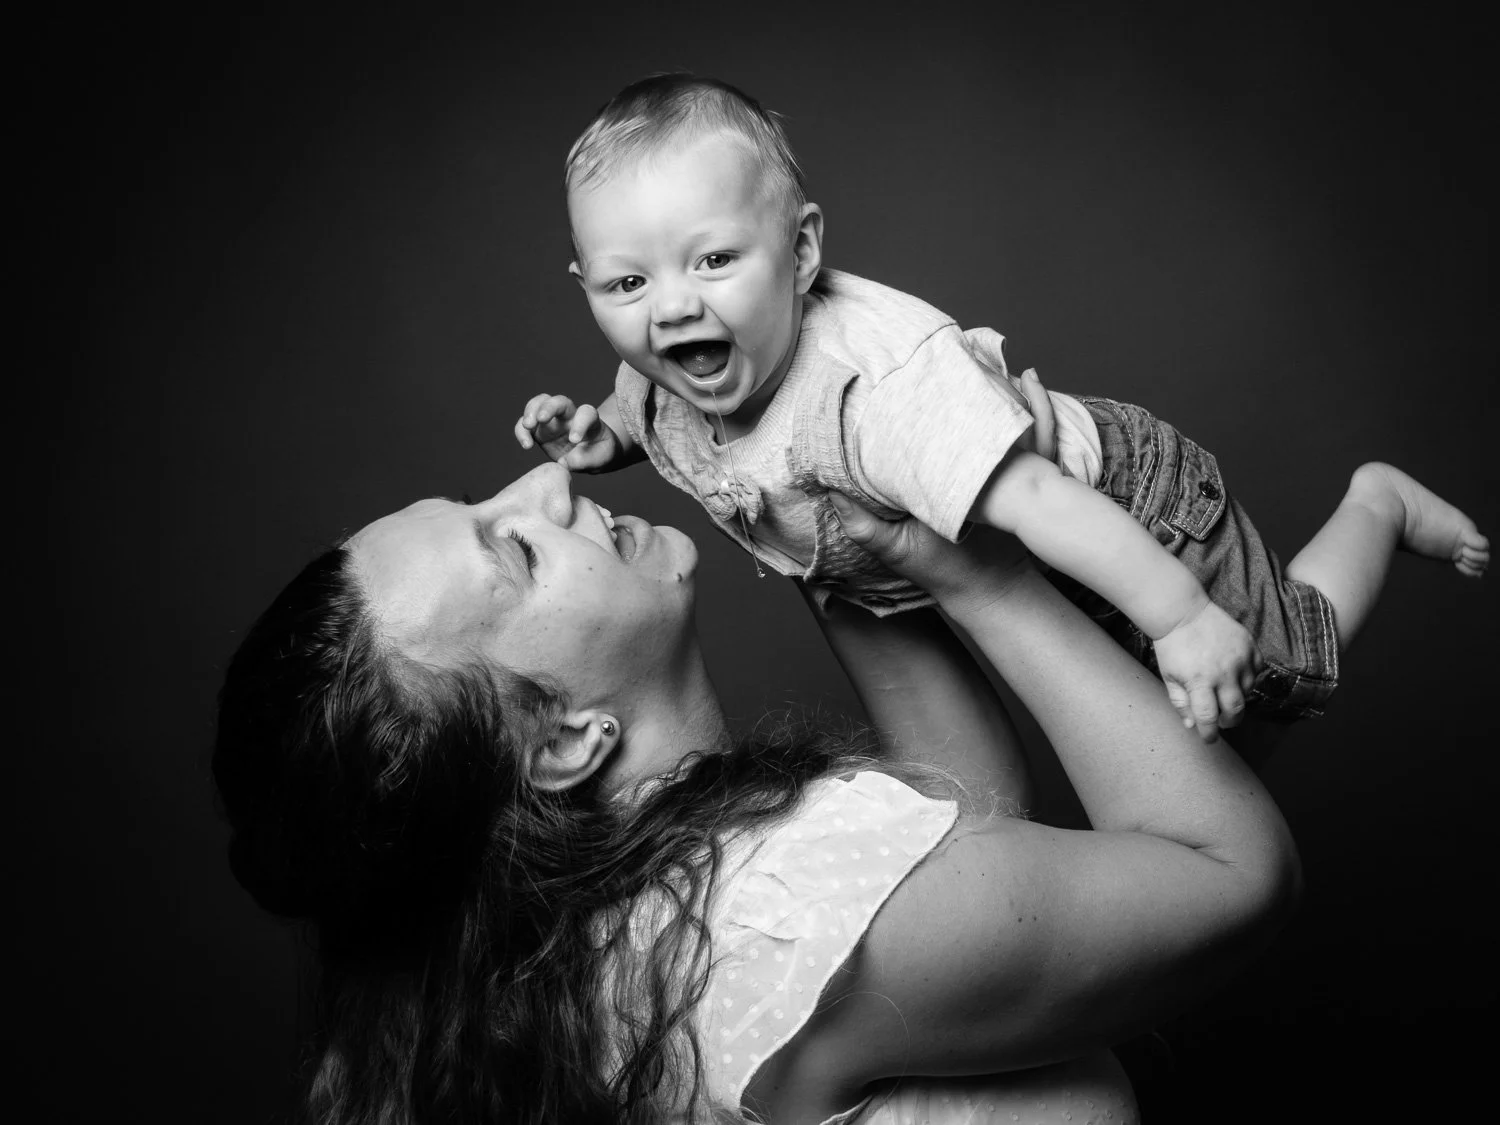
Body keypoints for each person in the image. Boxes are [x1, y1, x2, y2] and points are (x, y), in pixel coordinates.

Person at [213, 461, 1302, 1123]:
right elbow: (1236, 877)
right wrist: (988, 578)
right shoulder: (779, 917)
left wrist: (830, 547)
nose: (547, 486)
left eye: (480, 498)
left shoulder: (586, 951)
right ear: (565, 740)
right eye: (518, 552)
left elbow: (972, 842)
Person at [514, 73, 1489, 742]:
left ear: (801, 252)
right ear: (585, 283)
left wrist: (1183, 613)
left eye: (714, 259)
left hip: (1122, 511)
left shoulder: (877, 393)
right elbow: (652, 409)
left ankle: (1380, 503)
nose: (671, 307)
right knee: (1195, 730)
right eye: (627, 282)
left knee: (1280, 673)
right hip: (1010, 558)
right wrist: (603, 438)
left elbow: (1041, 502)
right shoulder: (670, 370)